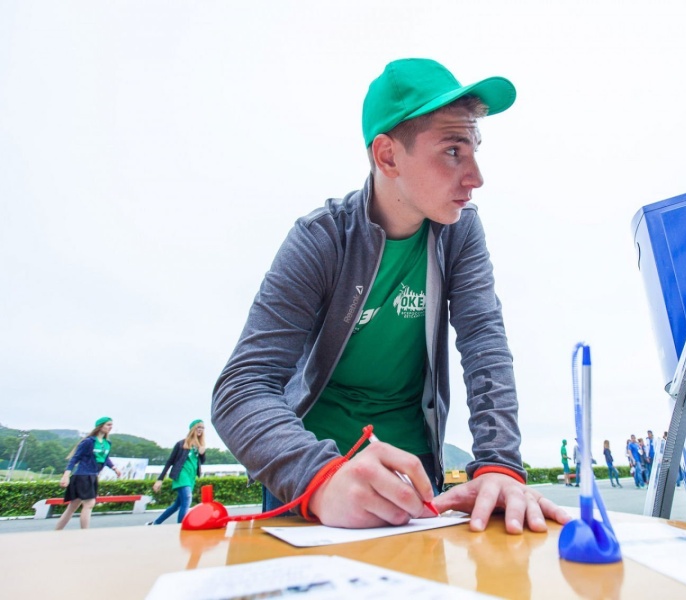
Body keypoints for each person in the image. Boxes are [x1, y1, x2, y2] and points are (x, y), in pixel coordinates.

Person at [211, 58, 570, 535]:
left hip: (414, 474)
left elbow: (484, 343)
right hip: (312, 474)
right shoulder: (321, 238)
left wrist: (499, 465)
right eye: (453, 151)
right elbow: (242, 386)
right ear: (387, 156)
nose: (476, 176)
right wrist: (320, 478)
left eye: (474, 150)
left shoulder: (461, 233)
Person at [55, 417, 122, 530]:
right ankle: (85, 533)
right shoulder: (89, 442)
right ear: (100, 426)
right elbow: (75, 458)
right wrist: (66, 475)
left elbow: (105, 458)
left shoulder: (107, 443)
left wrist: (114, 468)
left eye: (111, 425)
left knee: (72, 507)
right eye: (108, 425)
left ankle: (57, 531)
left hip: (93, 476)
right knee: (89, 504)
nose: (111, 427)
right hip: (83, 476)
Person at [148, 419, 207, 525]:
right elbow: (170, 461)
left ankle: (156, 523)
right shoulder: (181, 444)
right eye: (198, 427)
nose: (200, 430)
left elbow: (201, 462)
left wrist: (202, 453)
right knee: (187, 498)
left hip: (191, 477)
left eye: (202, 428)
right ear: (193, 428)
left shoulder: (199, 446)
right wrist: (160, 479)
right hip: (181, 475)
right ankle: (181, 526)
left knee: (177, 505)